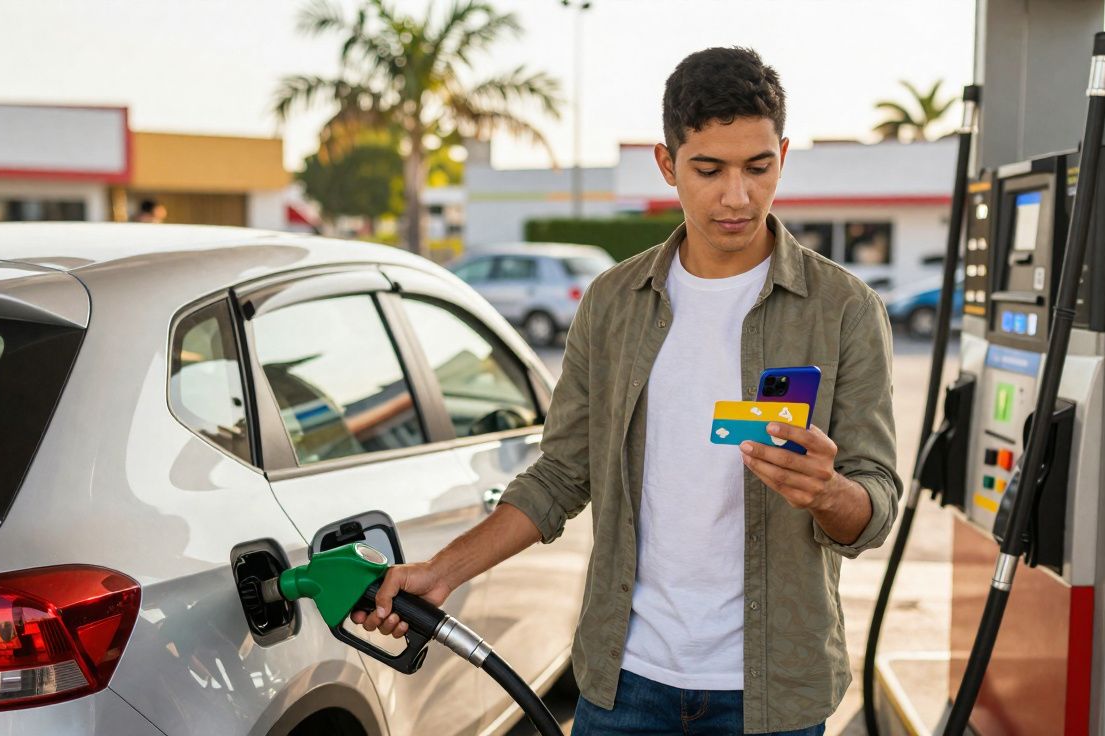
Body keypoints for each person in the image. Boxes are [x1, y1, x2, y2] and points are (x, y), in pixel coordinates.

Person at [352, 46, 900, 735]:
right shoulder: (613, 302)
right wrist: (442, 571)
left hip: (773, 692)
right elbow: (560, 474)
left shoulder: (844, 308)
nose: (738, 195)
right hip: (626, 681)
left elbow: (874, 501)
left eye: (759, 167)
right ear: (667, 164)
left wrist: (829, 492)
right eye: (709, 169)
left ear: (783, 155)